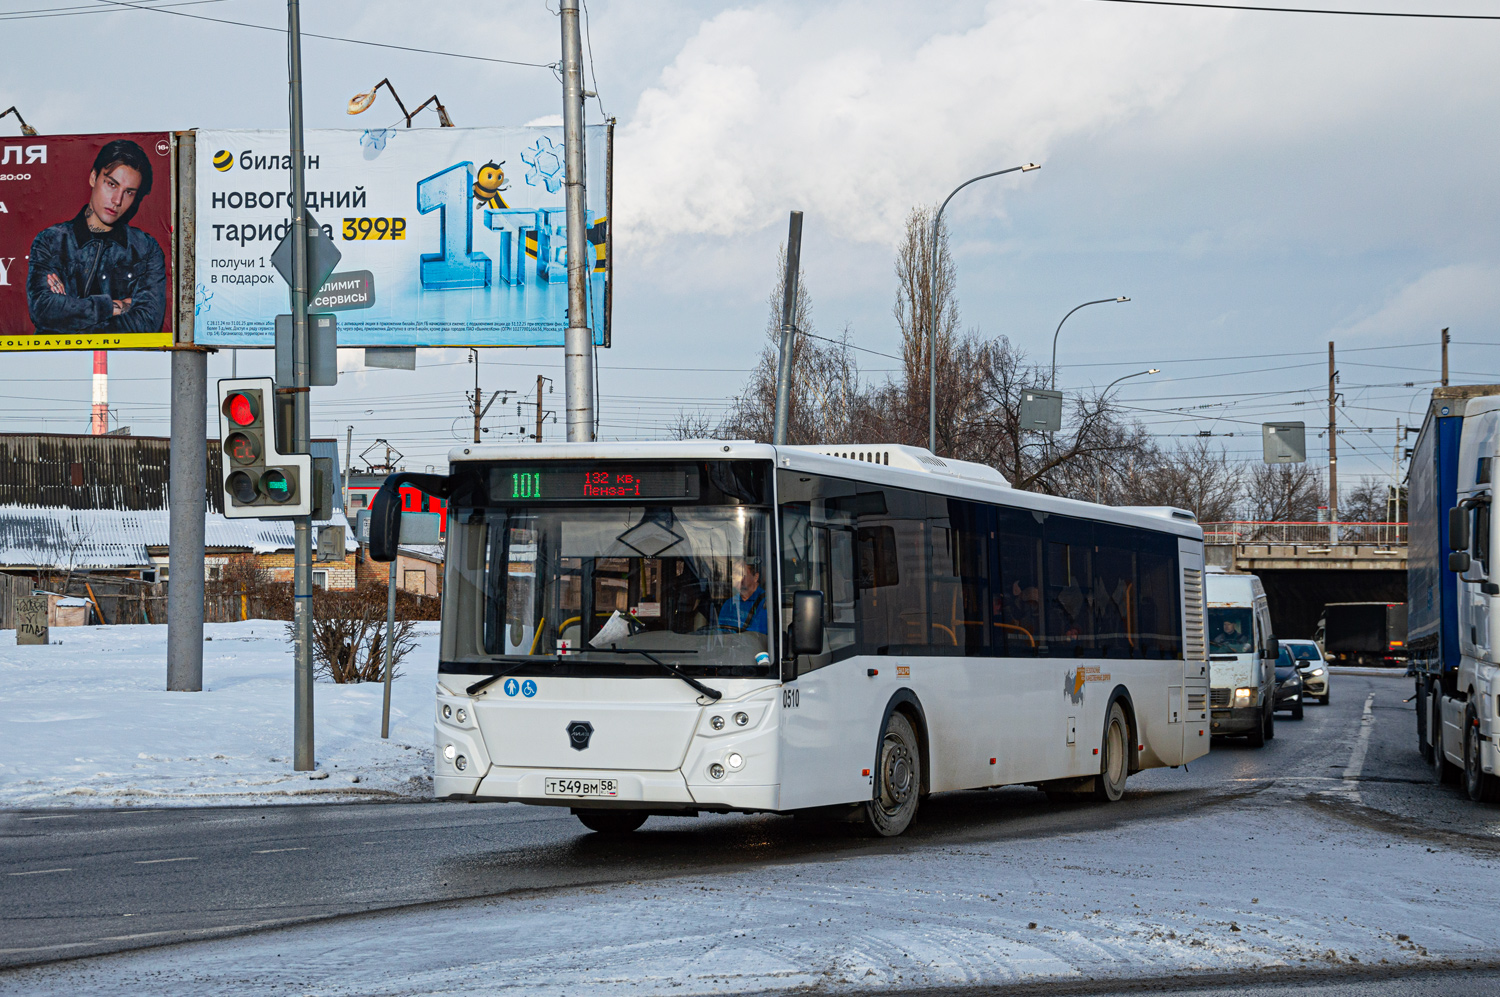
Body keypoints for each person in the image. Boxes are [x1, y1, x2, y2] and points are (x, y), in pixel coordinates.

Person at [27, 139, 167, 335]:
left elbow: (146, 323)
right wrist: (111, 306)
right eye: (111, 184)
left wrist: (70, 313)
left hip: (126, 362)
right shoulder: (52, 241)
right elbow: (43, 311)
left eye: (128, 192)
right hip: (55, 361)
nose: (117, 200)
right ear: (93, 178)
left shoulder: (145, 249)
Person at [717, 559, 768, 634]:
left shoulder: (766, 601)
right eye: (734, 574)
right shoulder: (729, 604)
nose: (737, 578)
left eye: (741, 574)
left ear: (755, 577)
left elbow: (758, 634)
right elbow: (720, 634)